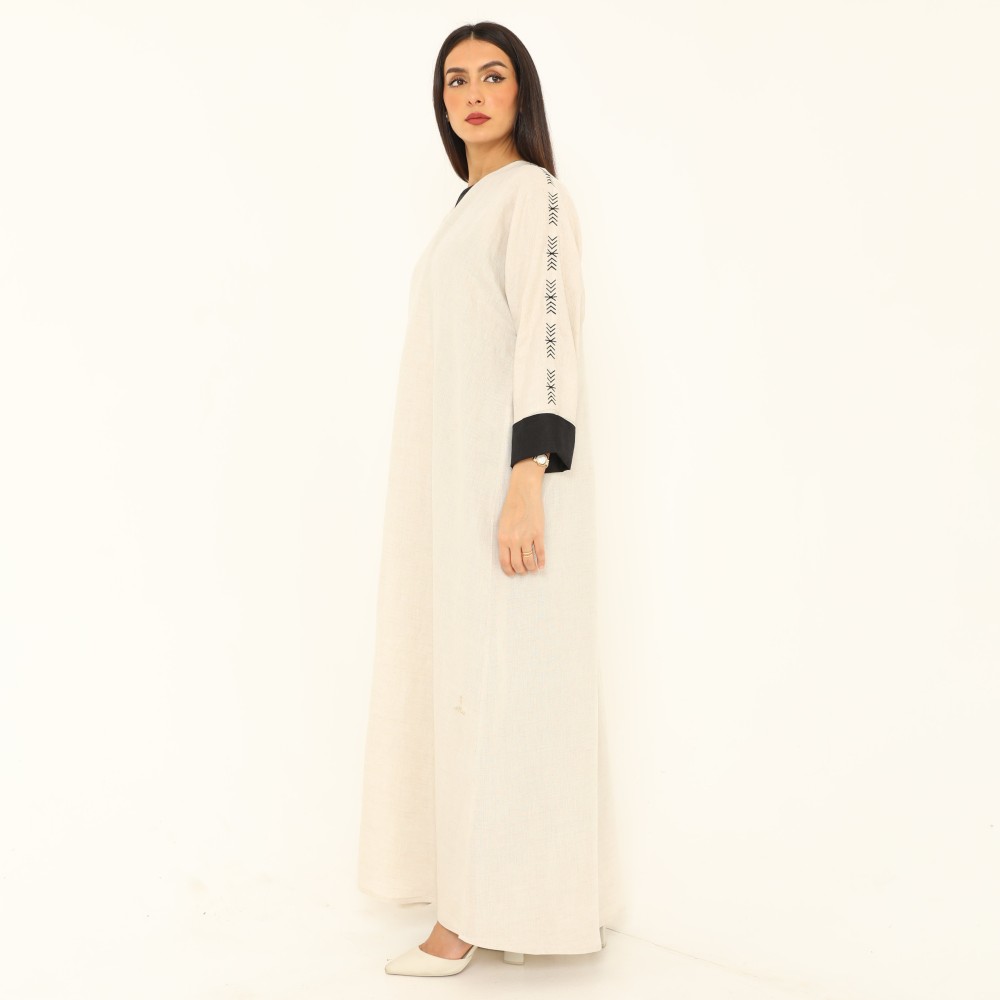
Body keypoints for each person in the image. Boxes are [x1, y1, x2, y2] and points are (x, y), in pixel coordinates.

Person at [356, 21, 625, 978]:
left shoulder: (532, 196)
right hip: (453, 492)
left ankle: (471, 917)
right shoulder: (466, 210)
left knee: (517, 689)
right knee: (475, 689)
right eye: (455, 80)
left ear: (522, 92)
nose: (473, 93)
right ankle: (505, 899)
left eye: (493, 75)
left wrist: (526, 481)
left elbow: (547, 336)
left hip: (510, 491)